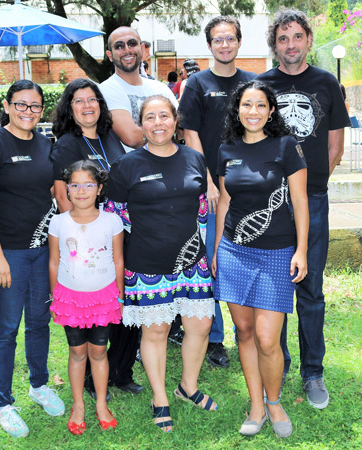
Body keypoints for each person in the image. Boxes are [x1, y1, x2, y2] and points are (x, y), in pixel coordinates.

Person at [105, 95, 216, 433]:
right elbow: (115, 222)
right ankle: (160, 397)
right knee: (156, 331)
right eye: (150, 117)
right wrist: (117, 272)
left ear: (175, 120)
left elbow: (202, 212)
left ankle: (188, 387)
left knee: (199, 326)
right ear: (141, 124)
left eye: (164, 116)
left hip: (192, 263)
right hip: (146, 265)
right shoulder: (126, 166)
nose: (158, 123)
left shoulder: (195, 159)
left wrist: (206, 254)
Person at [257, 8, 350, 409]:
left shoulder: (327, 82)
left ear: (308, 39)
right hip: (271, 204)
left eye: (297, 37)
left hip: (311, 199)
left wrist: (312, 186)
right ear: (274, 44)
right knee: (275, 291)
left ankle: (313, 373)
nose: (290, 45)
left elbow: (334, 145)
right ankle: (278, 364)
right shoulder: (260, 85)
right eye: (283, 38)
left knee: (310, 291)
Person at [212, 80, 309, 438]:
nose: (253, 112)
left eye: (260, 105)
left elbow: (300, 201)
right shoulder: (226, 149)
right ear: (237, 110)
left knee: (268, 339)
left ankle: (274, 401)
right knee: (245, 331)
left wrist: (301, 250)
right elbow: (224, 201)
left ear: (271, 111)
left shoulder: (286, 147)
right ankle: (256, 404)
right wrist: (217, 249)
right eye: (246, 105)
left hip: (277, 251)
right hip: (234, 251)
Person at [0, 80, 65, 438]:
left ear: (42, 110)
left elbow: (54, 195)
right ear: (8, 106)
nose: (28, 111)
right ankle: (3, 402)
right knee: (7, 329)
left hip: (42, 251)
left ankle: (38, 385)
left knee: (40, 322)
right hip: (8, 252)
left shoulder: (47, 144)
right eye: (21, 105)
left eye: (35, 106)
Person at [99, 26, 178, 394]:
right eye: (119, 45)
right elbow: (132, 137)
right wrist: (159, 135)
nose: (127, 50)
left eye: (132, 43)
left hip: (165, 191)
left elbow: (172, 135)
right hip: (130, 191)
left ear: (142, 48)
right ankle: (114, 367)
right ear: (110, 53)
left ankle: (128, 367)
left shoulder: (160, 89)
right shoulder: (108, 89)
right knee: (127, 283)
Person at [179, 15, 256, 368]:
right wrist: (207, 179)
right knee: (210, 262)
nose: (224, 45)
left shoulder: (253, 82)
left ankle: (250, 329)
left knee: (245, 259)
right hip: (209, 191)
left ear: (238, 42)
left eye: (230, 38)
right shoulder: (197, 83)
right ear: (209, 46)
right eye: (217, 40)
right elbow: (190, 134)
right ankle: (214, 338)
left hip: (246, 189)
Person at [49, 160, 124, 434]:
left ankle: (101, 403)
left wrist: (120, 297)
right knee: (78, 352)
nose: (82, 191)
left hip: (104, 298)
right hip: (70, 299)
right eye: (75, 185)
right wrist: (54, 298)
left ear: (99, 188)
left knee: (98, 351)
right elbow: (54, 262)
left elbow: (118, 260)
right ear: (67, 189)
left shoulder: (111, 220)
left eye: (88, 185)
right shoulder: (58, 222)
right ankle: (78, 404)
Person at [51, 78, 125, 213]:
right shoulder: (66, 146)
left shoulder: (110, 136)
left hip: (118, 224)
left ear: (99, 104)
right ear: (69, 109)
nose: (87, 105)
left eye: (92, 99)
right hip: (87, 227)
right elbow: (62, 197)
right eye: (79, 101)